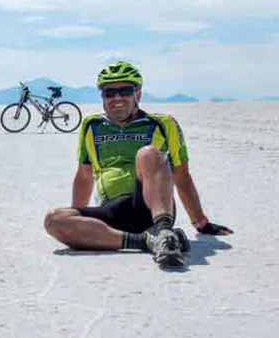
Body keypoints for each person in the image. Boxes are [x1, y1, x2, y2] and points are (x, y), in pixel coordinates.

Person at [44, 61, 232, 267]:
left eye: (124, 91)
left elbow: (181, 175)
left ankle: (163, 231)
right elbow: (84, 174)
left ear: (138, 94)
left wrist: (201, 223)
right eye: (109, 93)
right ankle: (149, 242)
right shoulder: (91, 125)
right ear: (102, 97)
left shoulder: (162, 123)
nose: (117, 98)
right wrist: (78, 221)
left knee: (148, 154)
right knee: (54, 220)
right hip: (112, 212)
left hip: (151, 207)